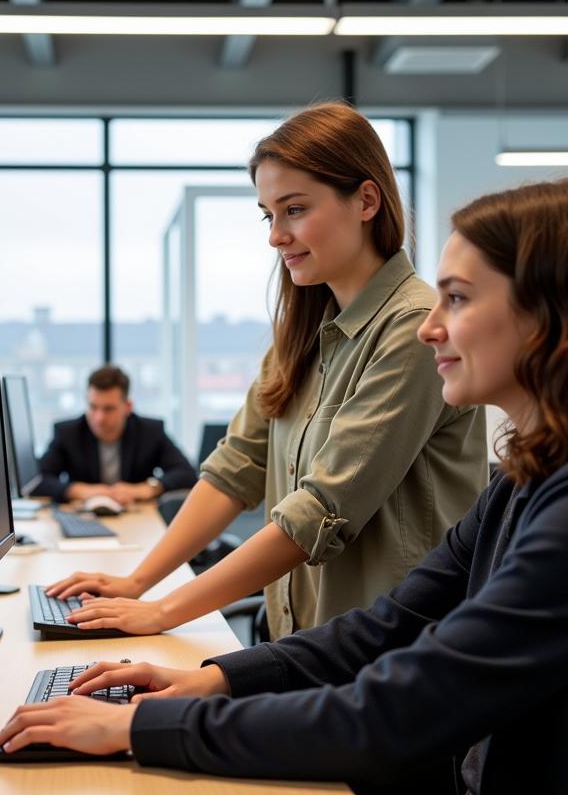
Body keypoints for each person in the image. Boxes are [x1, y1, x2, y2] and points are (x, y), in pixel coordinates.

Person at [0, 178, 568, 795]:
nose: (430, 327)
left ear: (557, 318)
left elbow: (403, 707)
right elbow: (386, 626)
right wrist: (209, 677)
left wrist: (143, 729)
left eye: (457, 299)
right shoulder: (539, 474)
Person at [48, 103, 487, 639]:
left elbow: (320, 510)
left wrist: (163, 612)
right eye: (268, 214)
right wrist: (138, 582)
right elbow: (236, 467)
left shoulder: (413, 328)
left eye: (295, 209)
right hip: (306, 645)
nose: (276, 235)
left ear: (366, 200)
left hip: (390, 657)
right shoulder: (302, 333)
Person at [37, 364, 196, 506]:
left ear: (127, 407)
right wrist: (80, 491)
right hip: (82, 516)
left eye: (109, 409)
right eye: (93, 407)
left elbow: (186, 474)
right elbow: (37, 480)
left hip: (136, 517)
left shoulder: (150, 431)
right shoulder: (68, 432)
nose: (99, 418)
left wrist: (146, 489)